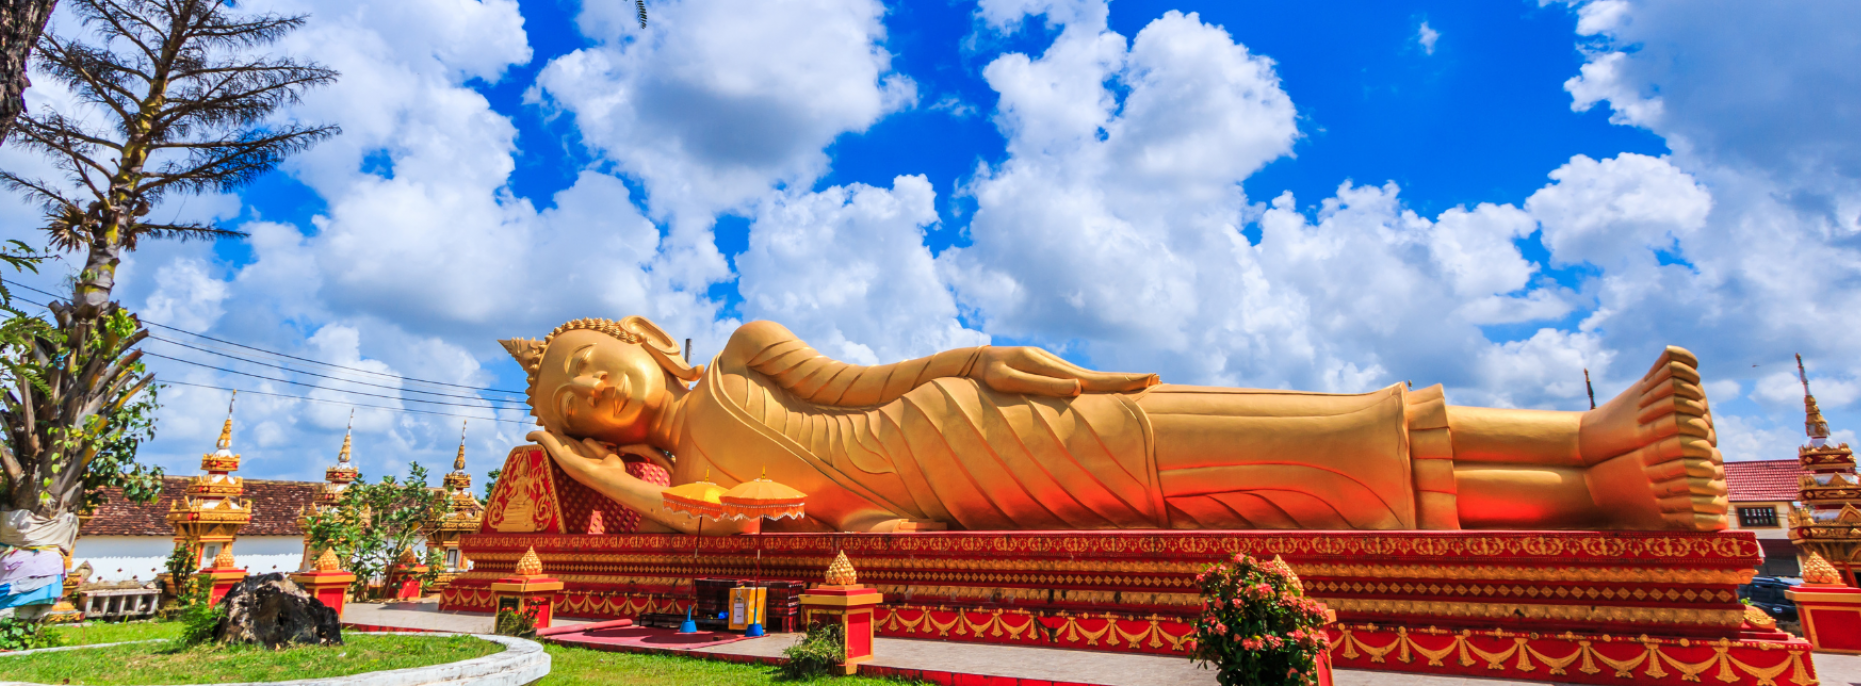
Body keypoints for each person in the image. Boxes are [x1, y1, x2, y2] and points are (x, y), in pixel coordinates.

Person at [501, 316, 1725, 535]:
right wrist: (571, 466)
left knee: (1240, 424)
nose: (595, 395)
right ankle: (1586, 492)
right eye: (574, 409)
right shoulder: (699, 487)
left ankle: (1574, 435)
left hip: (972, 418)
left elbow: (866, 385)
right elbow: (815, 518)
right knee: (1274, 484)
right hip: (961, 500)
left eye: (592, 370)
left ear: (644, 338)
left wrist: (981, 357)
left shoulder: (747, 359)